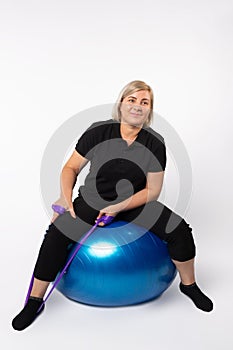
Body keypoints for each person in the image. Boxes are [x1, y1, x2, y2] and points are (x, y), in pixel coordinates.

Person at [12, 80, 213, 331]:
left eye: (144, 102)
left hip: (134, 202)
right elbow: (71, 168)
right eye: (132, 100)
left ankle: (189, 286)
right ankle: (34, 301)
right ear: (121, 104)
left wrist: (121, 206)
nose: (137, 106)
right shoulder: (98, 132)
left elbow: (153, 190)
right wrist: (65, 196)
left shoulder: (154, 142)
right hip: (92, 200)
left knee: (179, 230)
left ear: (150, 111)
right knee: (56, 234)